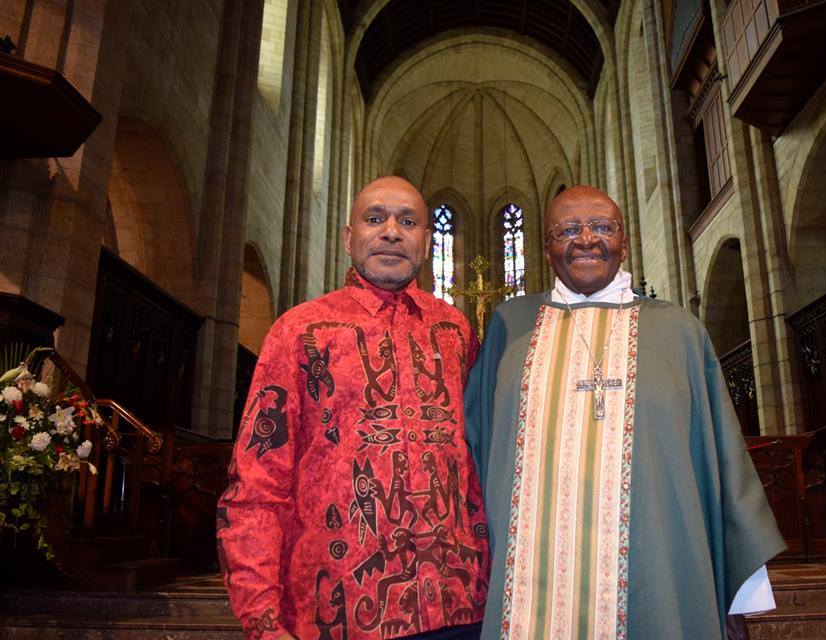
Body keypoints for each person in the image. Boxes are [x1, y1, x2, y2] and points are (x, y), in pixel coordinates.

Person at [465, 185, 785, 639]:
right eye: (567, 229)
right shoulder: (509, 325)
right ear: (546, 248)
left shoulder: (679, 331)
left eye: (602, 227)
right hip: (528, 584)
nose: (586, 240)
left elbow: (724, 459)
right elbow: (473, 450)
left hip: (659, 573)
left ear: (625, 241)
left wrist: (741, 588)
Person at [219, 176, 490, 640]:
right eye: (375, 218)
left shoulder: (456, 331)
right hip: (337, 612)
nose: (391, 231)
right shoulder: (299, 332)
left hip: (458, 607)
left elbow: (477, 465)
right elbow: (256, 486)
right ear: (349, 238)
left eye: (407, 221)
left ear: (426, 242)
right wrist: (263, 620)